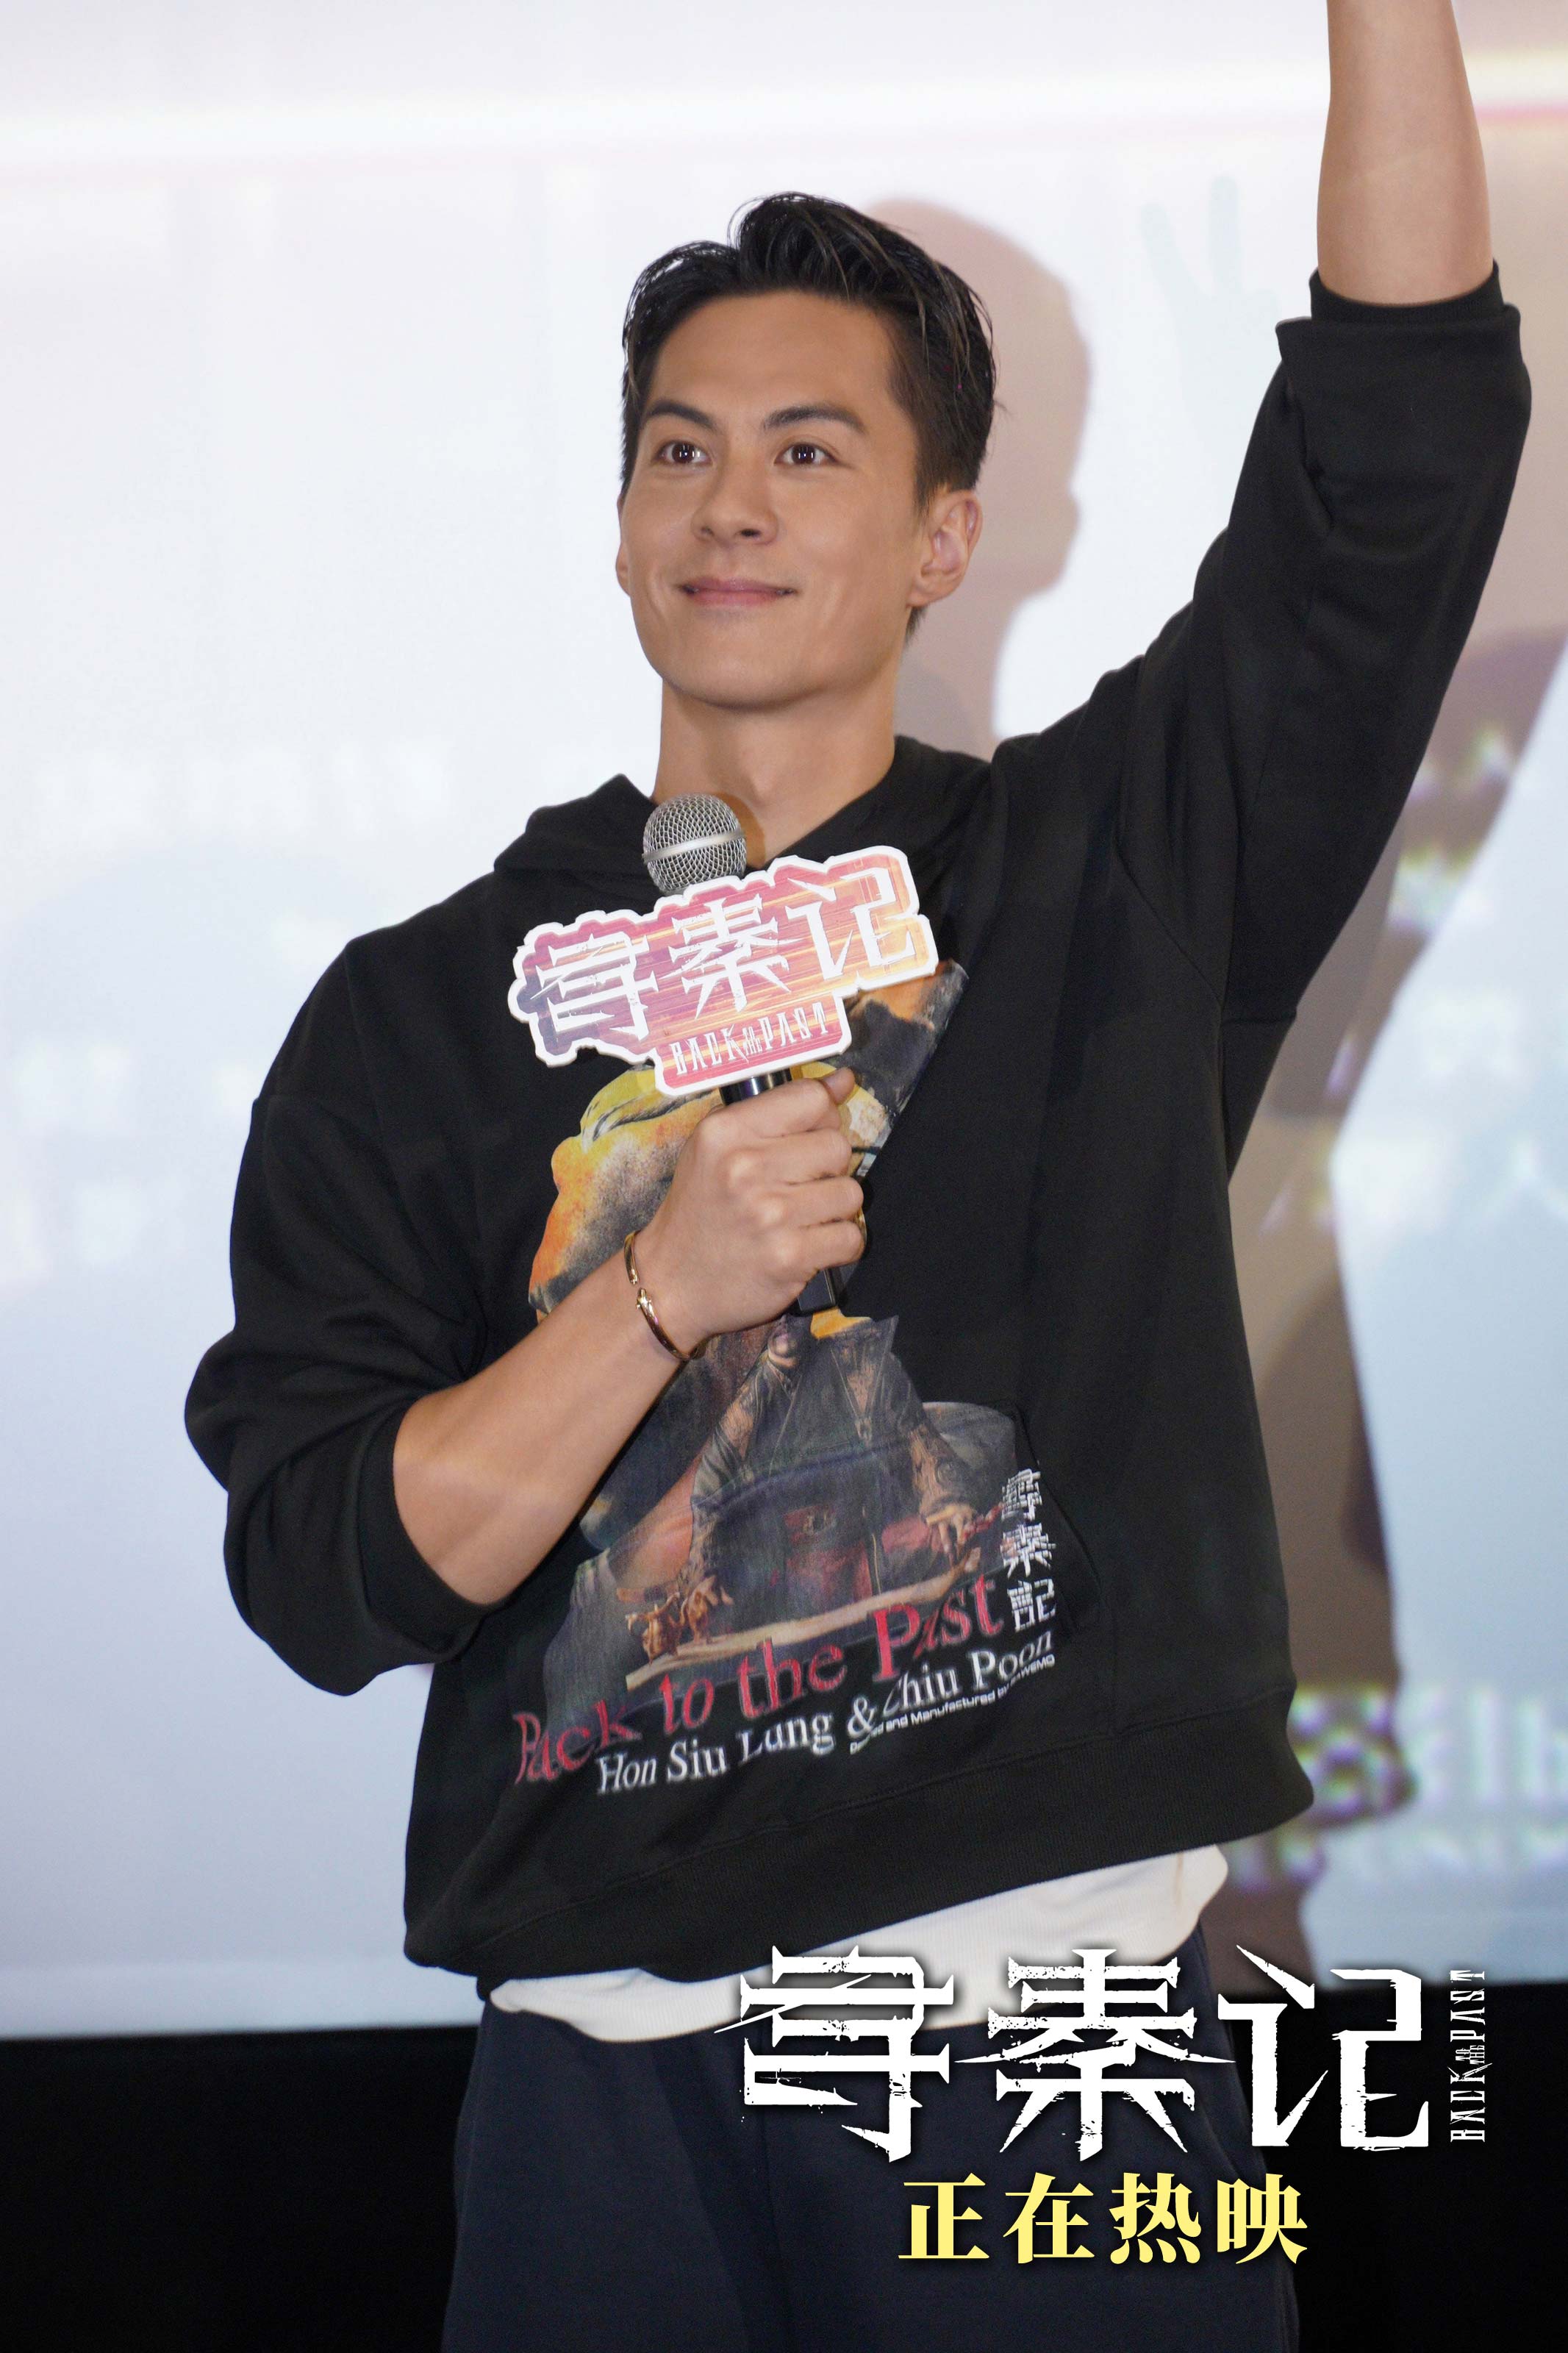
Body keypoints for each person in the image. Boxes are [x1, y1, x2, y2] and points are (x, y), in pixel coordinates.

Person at [186, 5, 1528, 2346]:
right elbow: (332, 1579)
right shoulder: (415, 1018)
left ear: (942, 539)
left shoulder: (1111, 877)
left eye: (810, 452)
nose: (733, 504)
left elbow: (1395, 440)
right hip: (598, 2088)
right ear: (621, 523)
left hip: (1051, 2052)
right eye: (681, 450)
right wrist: (651, 1293)